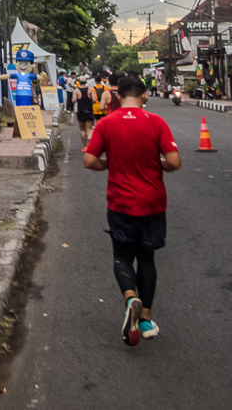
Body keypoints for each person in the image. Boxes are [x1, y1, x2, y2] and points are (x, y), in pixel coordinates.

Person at [83, 75, 181, 346]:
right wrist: (157, 163)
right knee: (147, 259)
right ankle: (146, 318)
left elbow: (89, 161)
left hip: (120, 203)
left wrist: (109, 165)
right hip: (152, 202)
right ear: (144, 95)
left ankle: (130, 298)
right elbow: (174, 161)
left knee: (122, 258)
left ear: (118, 95)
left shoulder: (106, 123)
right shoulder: (156, 123)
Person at [75, 76, 95, 145]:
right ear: (86, 81)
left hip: (80, 111)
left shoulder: (76, 90)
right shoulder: (90, 90)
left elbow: (73, 100)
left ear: (79, 82)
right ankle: (90, 143)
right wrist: (91, 102)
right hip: (89, 110)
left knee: (83, 130)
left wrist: (78, 99)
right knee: (89, 129)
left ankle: (85, 147)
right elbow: (94, 100)